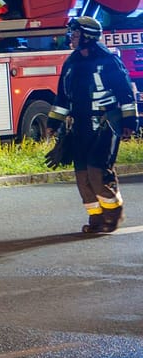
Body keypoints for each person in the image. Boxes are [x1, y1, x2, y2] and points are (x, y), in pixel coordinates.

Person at [46, 16, 137, 233]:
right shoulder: (71, 62)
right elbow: (62, 97)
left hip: (107, 123)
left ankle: (113, 216)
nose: (72, 38)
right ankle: (96, 218)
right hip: (80, 125)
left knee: (98, 171)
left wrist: (129, 123)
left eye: (76, 34)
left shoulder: (108, 60)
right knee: (82, 175)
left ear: (88, 37)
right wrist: (53, 123)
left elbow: (125, 94)